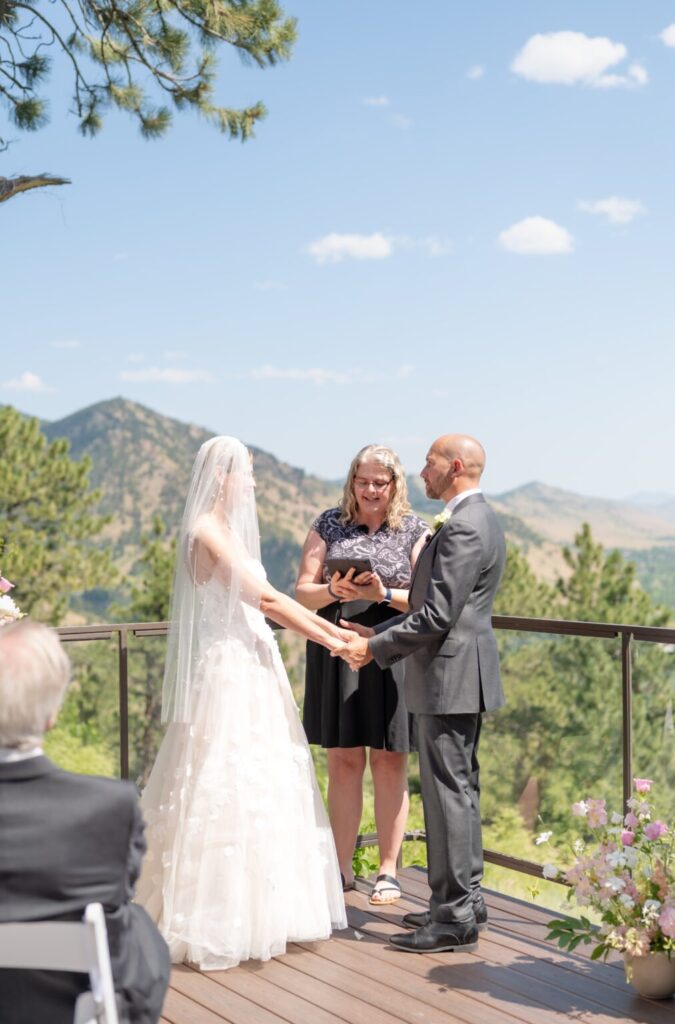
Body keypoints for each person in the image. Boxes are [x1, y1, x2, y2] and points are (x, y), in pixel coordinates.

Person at [136, 436, 348, 971]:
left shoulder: (225, 530)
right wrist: (334, 639)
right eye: (247, 473)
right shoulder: (207, 532)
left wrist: (335, 632)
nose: (253, 483)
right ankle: (215, 915)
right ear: (222, 476)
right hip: (229, 672)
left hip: (253, 662)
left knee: (262, 780)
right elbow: (270, 600)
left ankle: (266, 908)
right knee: (221, 780)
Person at [337, 435, 505, 953]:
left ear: (454, 467)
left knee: (446, 796)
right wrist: (375, 633)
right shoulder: (479, 518)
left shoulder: (464, 526)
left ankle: (452, 918)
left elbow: (436, 614)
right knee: (461, 792)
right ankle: (466, 902)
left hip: (448, 679)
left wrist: (374, 648)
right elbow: (438, 608)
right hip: (458, 677)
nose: (422, 470)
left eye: (429, 462)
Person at [0, 618, 170, 1024]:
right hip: (61, 1008)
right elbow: (120, 891)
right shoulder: (109, 806)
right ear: (51, 715)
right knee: (137, 925)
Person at [296, 444, 429, 903]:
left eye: (379, 482)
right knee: (344, 760)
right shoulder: (328, 523)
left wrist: (381, 592)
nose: (370, 490)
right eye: (363, 481)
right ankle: (341, 868)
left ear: (394, 485)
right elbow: (303, 593)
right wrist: (335, 589)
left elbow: (427, 602)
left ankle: (389, 870)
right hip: (336, 649)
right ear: (352, 481)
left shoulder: (415, 530)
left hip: (392, 649)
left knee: (391, 759)